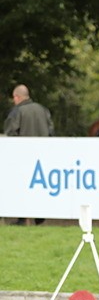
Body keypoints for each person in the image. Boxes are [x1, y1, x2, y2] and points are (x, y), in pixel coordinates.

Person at [4, 84, 53, 225]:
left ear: (17, 97)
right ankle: (39, 214)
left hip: (23, 155)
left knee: (22, 185)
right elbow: (51, 132)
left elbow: (11, 132)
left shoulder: (17, 111)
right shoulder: (43, 110)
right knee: (39, 185)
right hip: (42, 155)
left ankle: (22, 217)